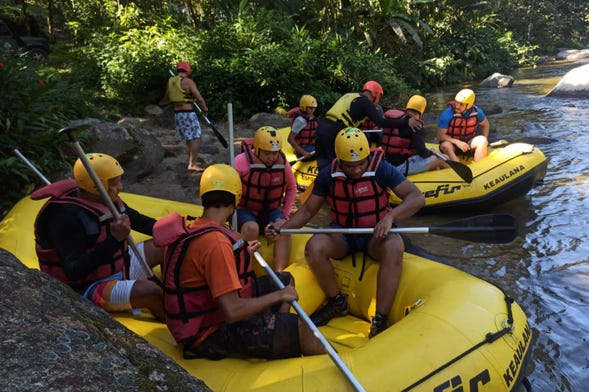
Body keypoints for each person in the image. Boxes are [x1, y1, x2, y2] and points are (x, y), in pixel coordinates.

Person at [266, 128, 424, 338]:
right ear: (340, 160)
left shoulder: (382, 169)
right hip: (344, 235)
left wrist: (390, 217)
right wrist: (282, 229)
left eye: (361, 164)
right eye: (350, 166)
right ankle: (337, 302)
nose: (357, 170)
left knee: (395, 245)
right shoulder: (328, 175)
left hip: (374, 234)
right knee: (314, 247)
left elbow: (416, 197)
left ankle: (380, 319)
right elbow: (308, 210)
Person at [155, 164, 324, 359]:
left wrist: (242, 253)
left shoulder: (195, 227)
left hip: (211, 311)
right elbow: (232, 311)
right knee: (298, 324)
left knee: (284, 279)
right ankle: (288, 337)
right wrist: (279, 296)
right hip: (208, 333)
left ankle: (275, 337)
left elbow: (205, 268)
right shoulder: (216, 243)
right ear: (236, 197)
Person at [33, 153, 165, 321]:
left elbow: (142, 222)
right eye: (115, 183)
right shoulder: (65, 217)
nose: (120, 187)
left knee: (165, 242)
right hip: (86, 288)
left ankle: (175, 294)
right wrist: (114, 240)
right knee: (150, 291)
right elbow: (74, 271)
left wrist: (178, 231)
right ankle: (180, 327)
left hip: (119, 268)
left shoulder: (107, 200)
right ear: (97, 185)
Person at [314, 80, 423, 169]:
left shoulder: (351, 96)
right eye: (379, 97)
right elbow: (381, 122)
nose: (378, 101)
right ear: (375, 94)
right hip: (334, 132)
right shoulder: (365, 102)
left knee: (324, 165)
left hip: (322, 127)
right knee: (335, 165)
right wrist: (407, 122)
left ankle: (322, 189)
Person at [235, 126, 297, 271]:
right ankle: (244, 271)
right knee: (252, 228)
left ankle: (279, 273)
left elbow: (292, 187)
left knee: (284, 228)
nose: (272, 158)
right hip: (245, 209)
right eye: (267, 153)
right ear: (257, 149)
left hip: (270, 210)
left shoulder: (282, 163)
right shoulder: (240, 162)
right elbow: (229, 189)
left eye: (275, 153)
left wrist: (285, 215)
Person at [160, 61, 209, 172]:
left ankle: (191, 162)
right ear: (188, 71)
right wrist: (205, 109)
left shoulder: (171, 81)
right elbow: (199, 99)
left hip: (178, 115)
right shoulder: (188, 82)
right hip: (188, 114)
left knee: (189, 139)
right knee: (197, 138)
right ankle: (193, 164)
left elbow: (167, 98)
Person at [382, 95, 448, 176]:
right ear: (422, 111)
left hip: (386, 165)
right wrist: (432, 153)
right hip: (400, 168)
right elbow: (422, 152)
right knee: (442, 159)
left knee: (434, 160)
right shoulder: (416, 125)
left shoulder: (396, 120)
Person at [437, 88, 490, 162]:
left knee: (483, 140)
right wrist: (458, 142)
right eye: (456, 102)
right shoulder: (447, 114)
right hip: (452, 144)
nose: (457, 106)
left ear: (468, 105)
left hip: (469, 143)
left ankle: (479, 166)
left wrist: (485, 139)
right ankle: (458, 167)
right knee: (445, 145)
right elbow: (440, 136)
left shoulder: (478, 112)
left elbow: (485, 124)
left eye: (461, 104)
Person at [287, 94, 318, 160]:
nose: (313, 110)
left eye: (314, 108)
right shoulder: (300, 121)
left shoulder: (310, 117)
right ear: (304, 107)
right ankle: (298, 152)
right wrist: (303, 152)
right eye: (310, 108)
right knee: (322, 153)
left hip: (311, 145)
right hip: (302, 147)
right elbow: (290, 139)